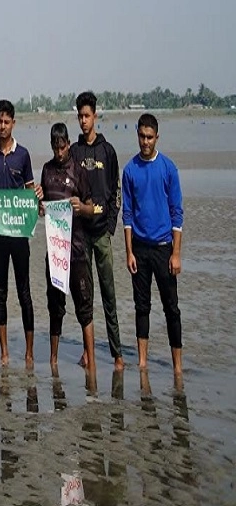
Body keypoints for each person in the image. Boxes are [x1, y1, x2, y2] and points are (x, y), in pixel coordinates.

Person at [121, 113, 183, 379]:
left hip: (164, 248)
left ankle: (177, 365)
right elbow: (128, 214)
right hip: (140, 249)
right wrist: (129, 251)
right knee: (141, 306)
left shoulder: (168, 168)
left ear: (157, 137)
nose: (145, 142)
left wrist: (176, 253)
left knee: (172, 307)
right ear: (137, 134)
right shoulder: (130, 170)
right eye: (141, 136)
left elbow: (177, 212)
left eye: (149, 137)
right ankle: (143, 362)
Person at [70, 91, 125, 370]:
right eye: (79, 116)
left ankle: (117, 353)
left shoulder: (108, 151)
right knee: (84, 294)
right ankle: (87, 351)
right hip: (80, 236)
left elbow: (116, 191)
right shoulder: (74, 152)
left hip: (102, 234)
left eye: (87, 116)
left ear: (95, 116)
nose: (83, 121)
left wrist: (111, 224)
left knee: (108, 293)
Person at [0, 99, 39, 366]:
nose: (2, 126)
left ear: (13, 123)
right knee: (0, 291)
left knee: (24, 291)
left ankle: (29, 352)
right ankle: (4, 351)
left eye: (7, 122)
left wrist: (36, 196)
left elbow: (30, 191)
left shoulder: (23, 155)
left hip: (19, 236)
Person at [39, 122, 97, 374]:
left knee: (84, 306)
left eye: (62, 147)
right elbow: (43, 209)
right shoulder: (47, 170)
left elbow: (91, 206)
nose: (59, 152)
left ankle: (91, 359)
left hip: (78, 250)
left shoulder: (79, 171)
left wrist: (81, 207)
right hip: (55, 253)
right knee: (55, 306)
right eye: (55, 148)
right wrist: (41, 207)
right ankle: (53, 359)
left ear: (68, 144)